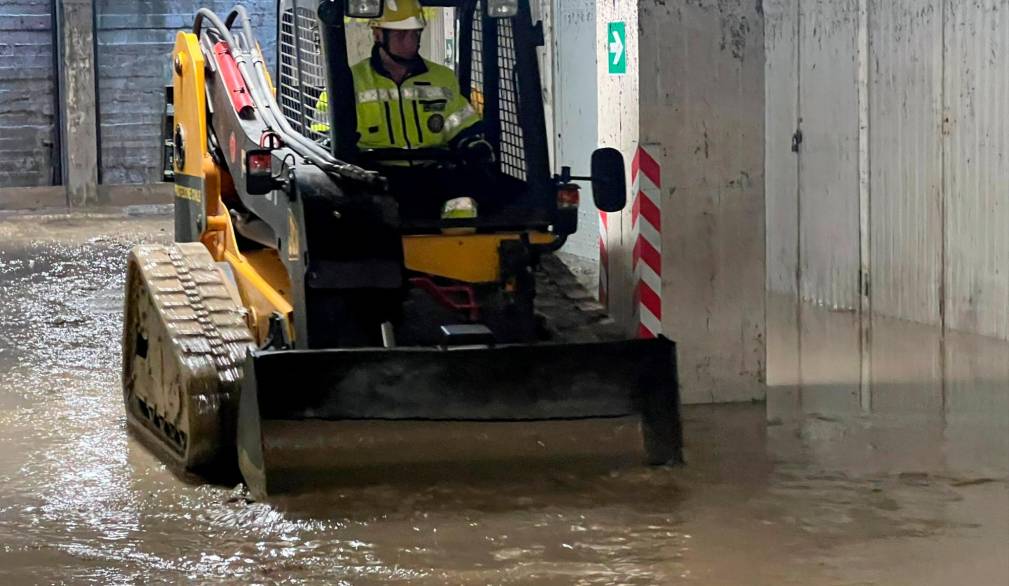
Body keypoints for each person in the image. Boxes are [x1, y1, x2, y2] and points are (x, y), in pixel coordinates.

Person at [312, 0, 492, 163]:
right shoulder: (348, 81)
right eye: (400, 35)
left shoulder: (443, 78)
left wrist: (472, 145)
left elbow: (461, 125)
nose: (409, 43)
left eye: (414, 34)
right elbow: (322, 138)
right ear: (377, 34)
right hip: (371, 180)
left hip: (434, 176)